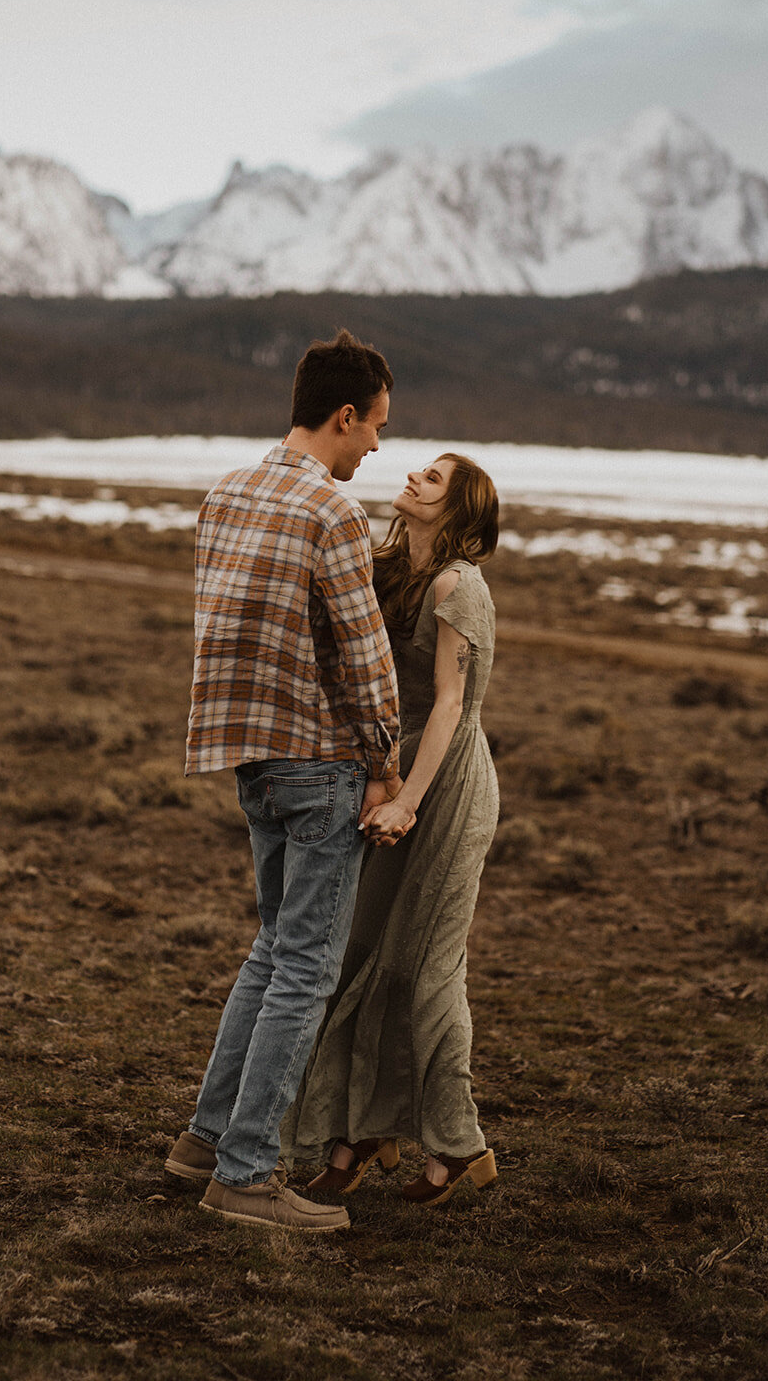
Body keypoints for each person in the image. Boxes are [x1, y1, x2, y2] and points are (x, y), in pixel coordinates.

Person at [165, 330, 405, 1233]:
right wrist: (385, 768)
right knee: (304, 967)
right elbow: (364, 655)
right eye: (375, 427)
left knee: (272, 950)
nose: (377, 446)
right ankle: (246, 1172)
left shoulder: (227, 493)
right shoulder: (330, 514)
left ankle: (204, 1141)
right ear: (343, 417)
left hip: (251, 759)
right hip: (320, 765)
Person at [280, 451, 500, 1207]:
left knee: (421, 970)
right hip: (382, 773)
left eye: (433, 480)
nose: (412, 477)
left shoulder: (456, 587)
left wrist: (407, 799)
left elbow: (447, 704)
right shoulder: (382, 566)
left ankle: (455, 1144)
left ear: (460, 511)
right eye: (418, 471)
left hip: (443, 784)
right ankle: (356, 1136)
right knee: (355, 959)